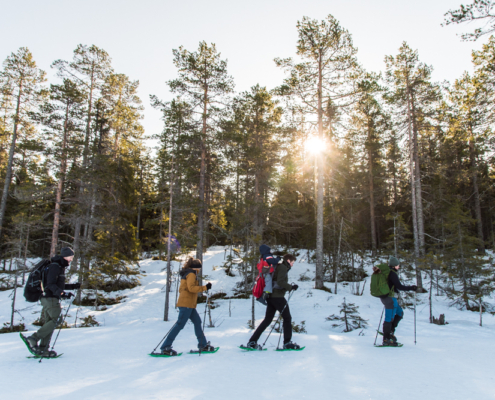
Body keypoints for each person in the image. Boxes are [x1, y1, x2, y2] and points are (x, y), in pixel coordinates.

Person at [24, 247, 80, 357]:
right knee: (56, 320)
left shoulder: (58, 266)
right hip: (50, 299)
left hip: (49, 298)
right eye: (71, 257)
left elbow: (56, 284)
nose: (71, 259)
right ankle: (33, 338)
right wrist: (63, 294)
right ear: (66, 256)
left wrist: (73, 286)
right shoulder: (55, 266)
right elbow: (50, 284)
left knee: (50, 323)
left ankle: (43, 348)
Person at [159, 258, 214, 356]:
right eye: (199, 268)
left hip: (189, 305)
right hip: (186, 305)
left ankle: (203, 344)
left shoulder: (188, 274)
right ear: (196, 267)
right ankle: (165, 347)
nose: (200, 270)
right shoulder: (191, 274)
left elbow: (183, 289)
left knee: (197, 322)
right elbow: (191, 288)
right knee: (179, 325)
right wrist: (205, 287)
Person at [246, 254, 300, 350]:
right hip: (277, 297)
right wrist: (291, 287)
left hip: (270, 296)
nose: (292, 265)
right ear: (288, 260)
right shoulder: (283, 267)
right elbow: (280, 282)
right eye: (292, 262)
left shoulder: (277, 266)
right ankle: (287, 343)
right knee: (287, 318)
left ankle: (252, 342)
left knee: (267, 320)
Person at [377, 256, 417, 346]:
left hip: (387, 297)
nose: (399, 267)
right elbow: (399, 286)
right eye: (398, 265)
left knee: (399, 313)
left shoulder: (386, 273)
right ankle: (386, 339)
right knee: (389, 318)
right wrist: (411, 288)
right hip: (390, 299)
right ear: (394, 266)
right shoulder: (392, 274)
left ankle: (390, 331)